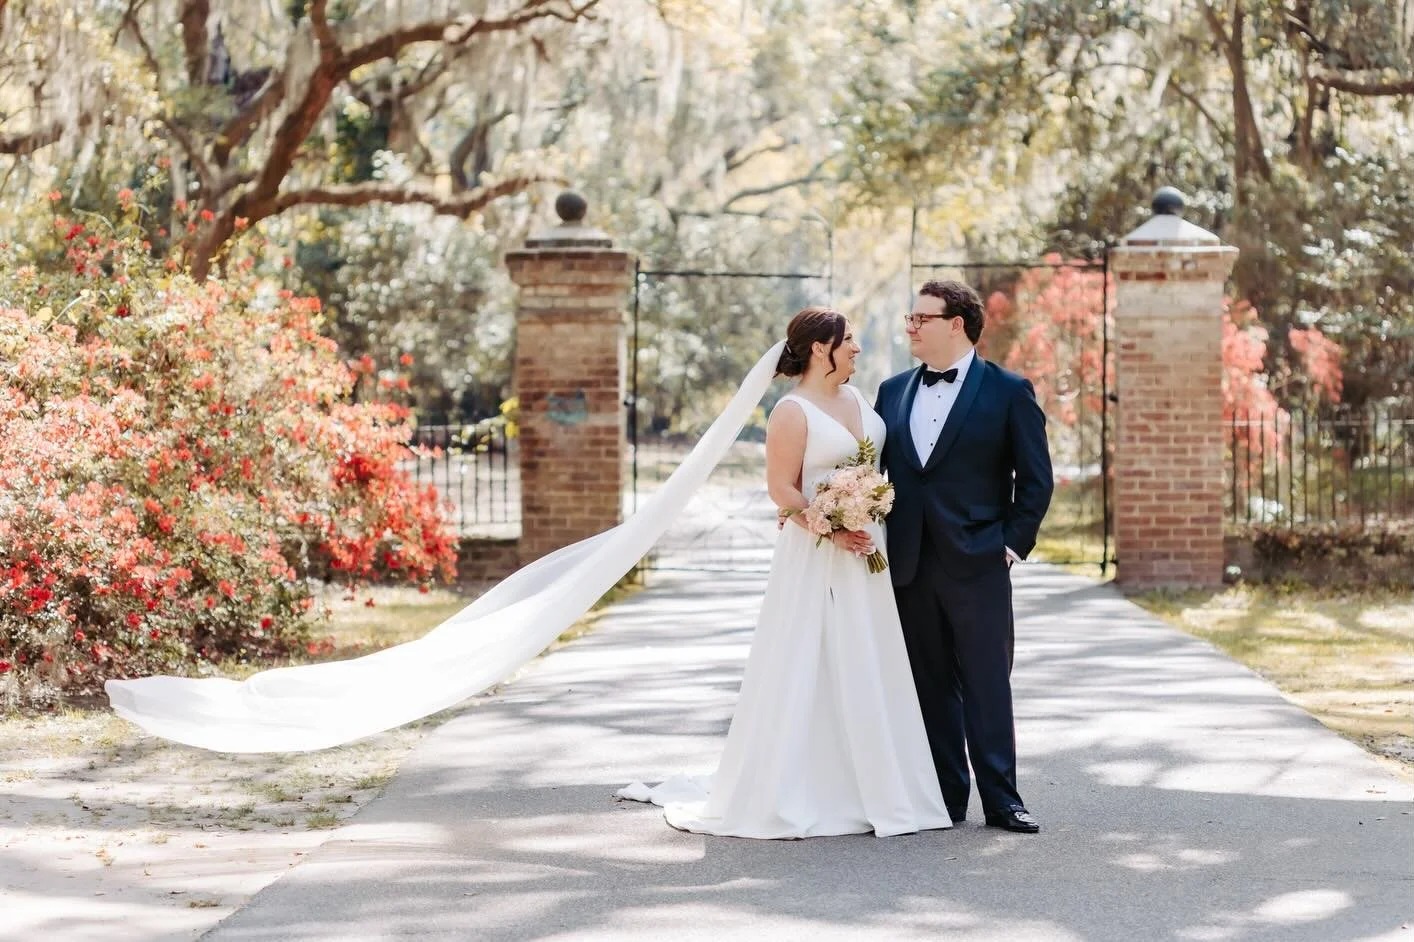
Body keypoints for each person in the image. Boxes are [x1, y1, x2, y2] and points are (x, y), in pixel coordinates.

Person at [619, 306, 952, 838]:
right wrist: (833, 528)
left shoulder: (859, 398)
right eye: (849, 341)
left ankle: (880, 785)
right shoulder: (791, 413)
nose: (857, 349)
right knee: (811, 658)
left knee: (869, 656)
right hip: (818, 552)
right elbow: (782, 489)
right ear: (821, 347)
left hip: (869, 548)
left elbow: (873, 466)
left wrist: (866, 511)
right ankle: (808, 786)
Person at [873, 279, 1053, 833]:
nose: (911, 326)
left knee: (987, 684)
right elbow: (878, 474)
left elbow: (1037, 479)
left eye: (921, 318)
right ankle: (944, 800)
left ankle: (1002, 801)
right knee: (929, 688)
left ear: (957, 324)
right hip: (910, 563)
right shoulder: (891, 390)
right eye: (910, 317)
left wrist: (1009, 544)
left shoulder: (1008, 391)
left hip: (978, 560)